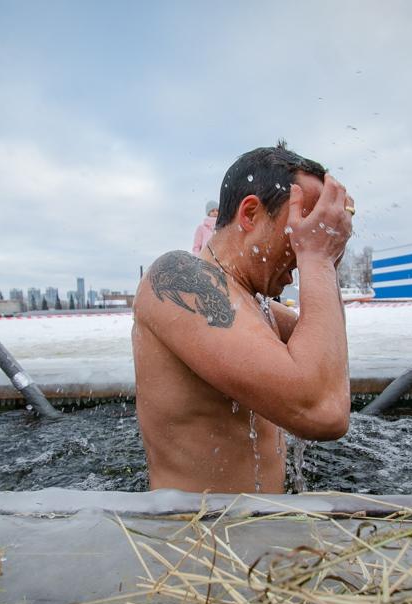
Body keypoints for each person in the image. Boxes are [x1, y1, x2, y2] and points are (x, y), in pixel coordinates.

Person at [133, 143, 354, 493]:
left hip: (257, 522)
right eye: (301, 225)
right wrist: (317, 257)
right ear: (250, 214)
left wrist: (328, 259)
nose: (305, 240)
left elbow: (327, 366)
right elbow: (323, 411)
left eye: (314, 229)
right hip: (197, 525)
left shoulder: (256, 306)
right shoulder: (180, 279)